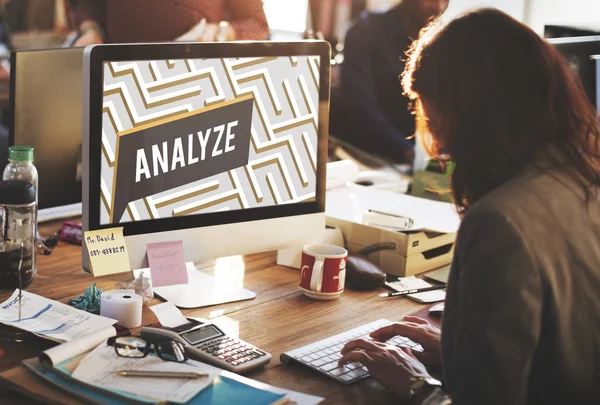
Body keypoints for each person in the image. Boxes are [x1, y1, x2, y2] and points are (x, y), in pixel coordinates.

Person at [338, 8, 600, 405]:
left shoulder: (501, 221)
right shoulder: (584, 180)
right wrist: (461, 353)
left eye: (439, 126)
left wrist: (415, 384)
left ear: (476, 117)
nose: (441, 150)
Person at [333, 0, 449, 163]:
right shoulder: (365, 30)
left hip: (413, 159)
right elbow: (360, 107)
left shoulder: (439, 39)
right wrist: (407, 150)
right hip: (364, 156)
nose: (439, 7)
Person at [69, 0, 269, 45]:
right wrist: (91, 28)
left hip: (191, 86)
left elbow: (257, 25)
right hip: (113, 81)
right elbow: (90, 5)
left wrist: (221, 33)